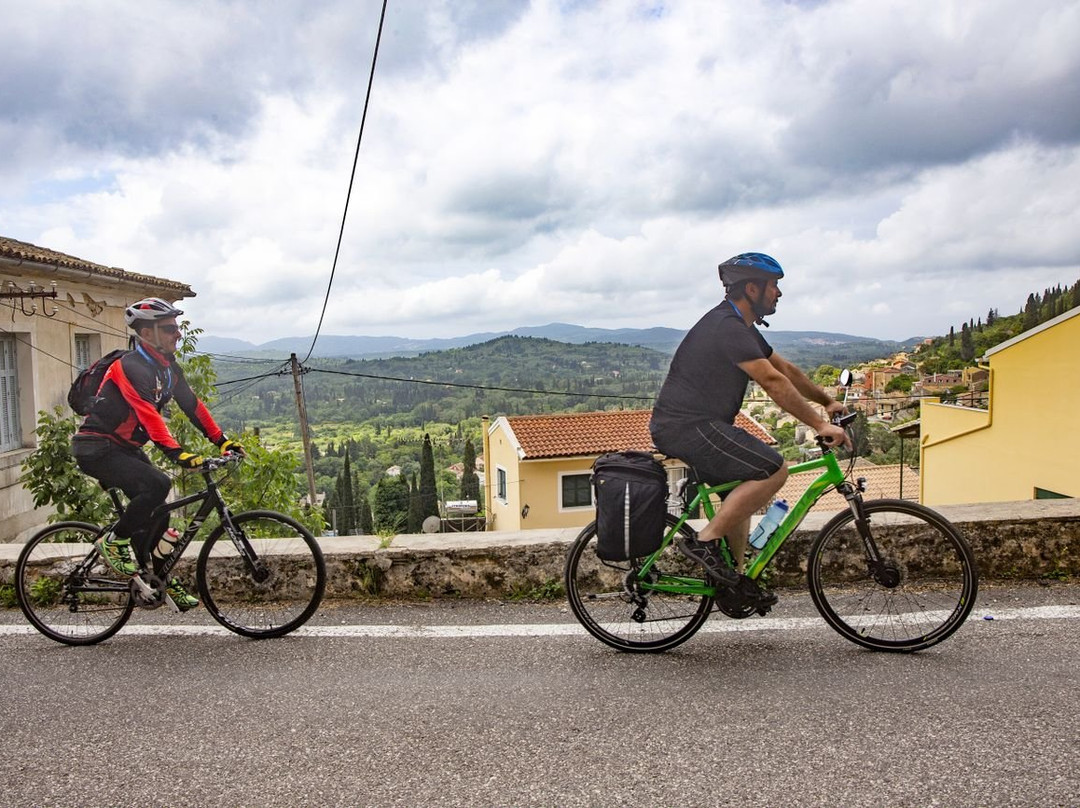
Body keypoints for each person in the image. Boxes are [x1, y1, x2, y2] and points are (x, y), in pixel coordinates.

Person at [649, 253, 849, 612]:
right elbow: (772, 381)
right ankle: (704, 541)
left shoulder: (741, 328)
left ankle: (734, 580)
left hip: (702, 425)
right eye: (774, 286)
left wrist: (827, 401)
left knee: (738, 492)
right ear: (752, 288)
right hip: (686, 427)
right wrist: (819, 424)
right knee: (773, 467)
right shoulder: (726, 327)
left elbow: (784, 368)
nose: (778, 294)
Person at [71, 297, 243, 611]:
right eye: (169, 329)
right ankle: (113, 541)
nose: (177, 334)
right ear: (146, 334)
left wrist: (223, 441)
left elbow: (193, 406)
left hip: (123, 448)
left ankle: (158, 578)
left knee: (159, 514)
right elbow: (148, 416)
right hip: (96, 448)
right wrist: (180, 455)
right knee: (158, 485)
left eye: (177, 328)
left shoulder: (167, 369)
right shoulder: (129, 367)